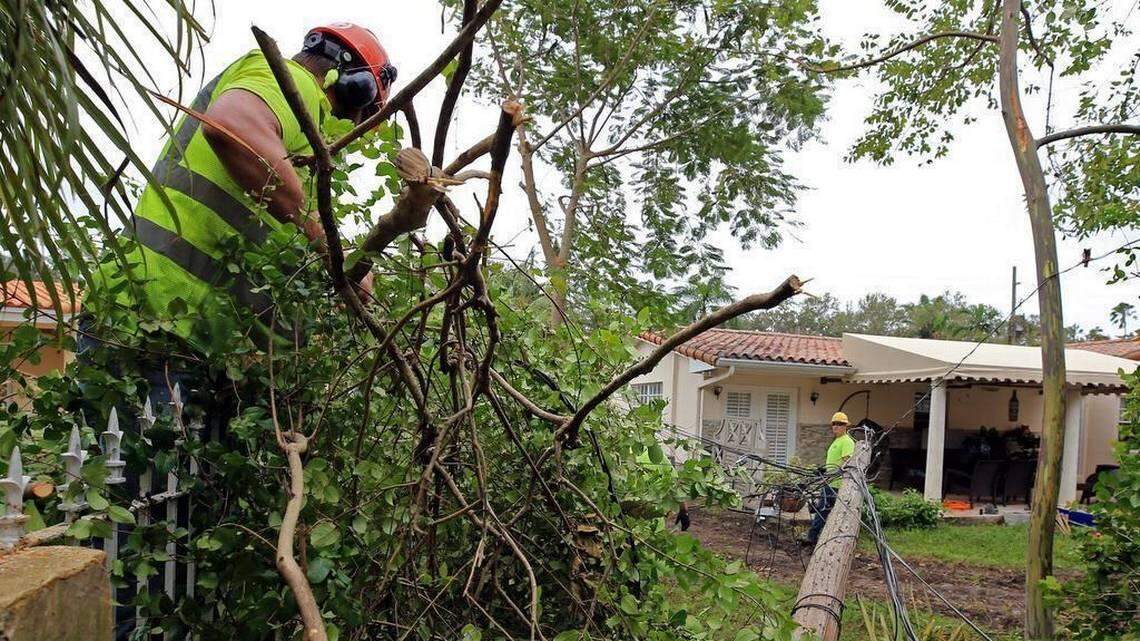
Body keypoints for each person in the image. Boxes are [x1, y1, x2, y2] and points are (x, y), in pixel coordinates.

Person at [76, 23, 396, 638]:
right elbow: (231, 124)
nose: (356, 139)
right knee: (141, 542)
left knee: (180, 543)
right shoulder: (290, 83)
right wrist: (325, 242)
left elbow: (256, 263)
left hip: (187, 350)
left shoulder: (291, 155)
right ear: (351, 87)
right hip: (152, 335)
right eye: (365, 119)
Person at [800, 411, 856, 548]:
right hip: (829, 481)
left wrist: (833, 474)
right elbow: (834, 462)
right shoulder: (837, 440)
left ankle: (812, 537)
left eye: (840, 424)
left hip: (836, 484)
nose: (836, 426)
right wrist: (824, 469)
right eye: (834, 424)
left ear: (845, 426)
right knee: (822, 509)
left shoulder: (847, 442)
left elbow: (846, 464)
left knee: (822, 510)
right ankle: (818, 537)